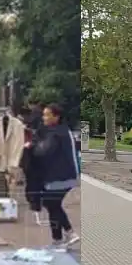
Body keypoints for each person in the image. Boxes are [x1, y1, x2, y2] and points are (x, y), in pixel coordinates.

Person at [32, 103, 80, 247]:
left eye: (47, 115)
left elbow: (44, 151)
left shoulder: (57, 133)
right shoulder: (60, 130)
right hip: (63, 175)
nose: (44, 117)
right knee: (52, 204)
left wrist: (32, 147)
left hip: (61, 176)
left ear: (56, 117)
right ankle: (58, 239)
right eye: (44, 114)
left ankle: (69, 232)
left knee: (51, 203)